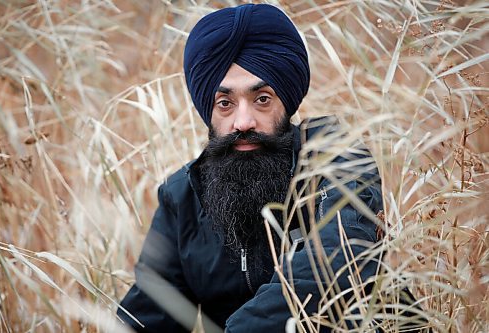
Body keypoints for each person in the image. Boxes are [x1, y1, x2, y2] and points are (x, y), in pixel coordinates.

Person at [117, 4, 392, 332]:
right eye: (225, 104)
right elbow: (146, 315)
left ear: (285, 103)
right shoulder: (183, 196)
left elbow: (340, 256)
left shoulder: (336, 154)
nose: (243, 121)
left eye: (262, 99)